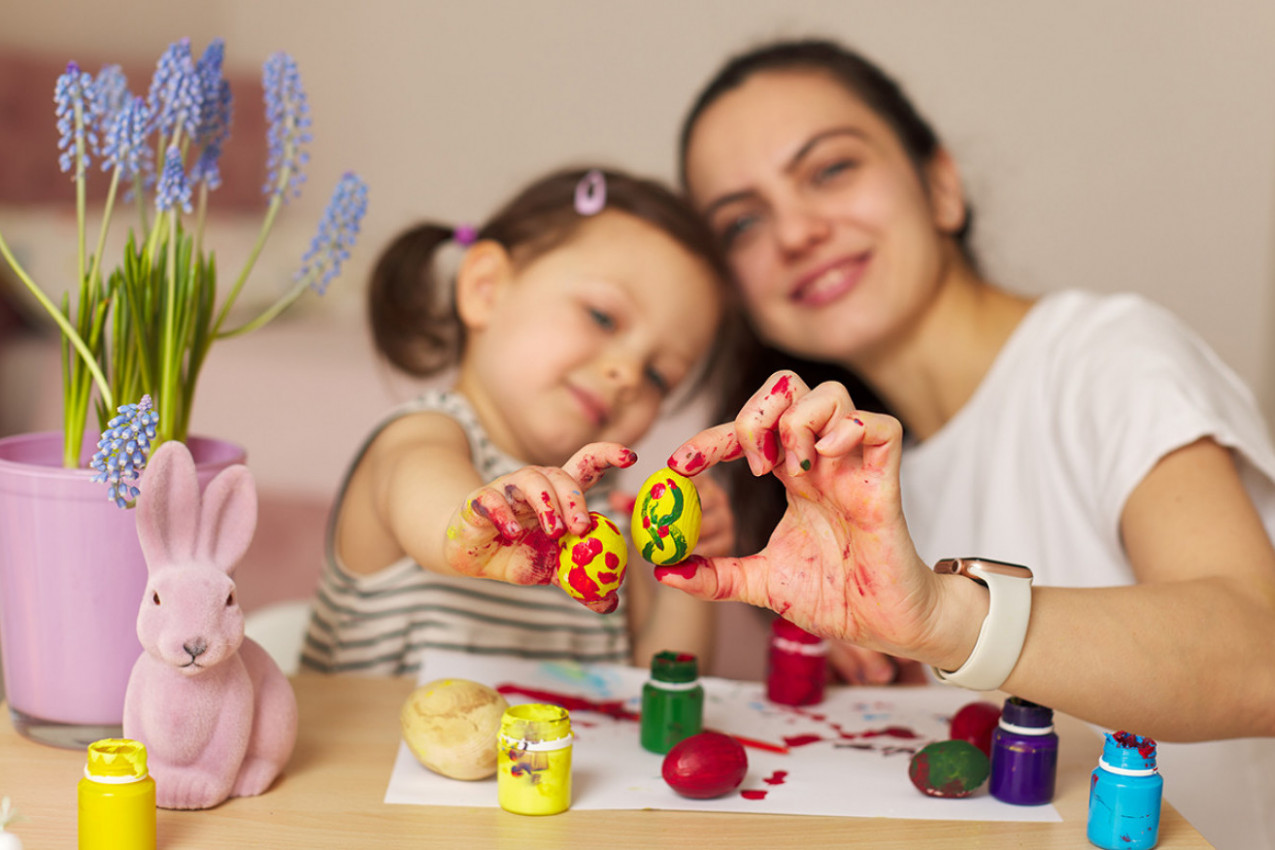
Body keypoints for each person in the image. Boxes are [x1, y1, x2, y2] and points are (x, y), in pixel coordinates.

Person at [661, 38, 1275, 848]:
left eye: (830, 169)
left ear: (941, 185)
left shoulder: (1110, 353)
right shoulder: (860, 479)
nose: (795, 231)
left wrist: (944, 618)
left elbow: (1257, 654)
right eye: (741, 221)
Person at [302, 166, 735, 678]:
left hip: (548, 761)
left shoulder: (603, 514)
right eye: (602, 317)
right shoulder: (425, 436)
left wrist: (686, 567)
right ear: (486, 288)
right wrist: (493, 514)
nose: (627, 374)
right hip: (371, 755)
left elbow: (665, 679)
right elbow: (436, 510)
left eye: (660, 377)